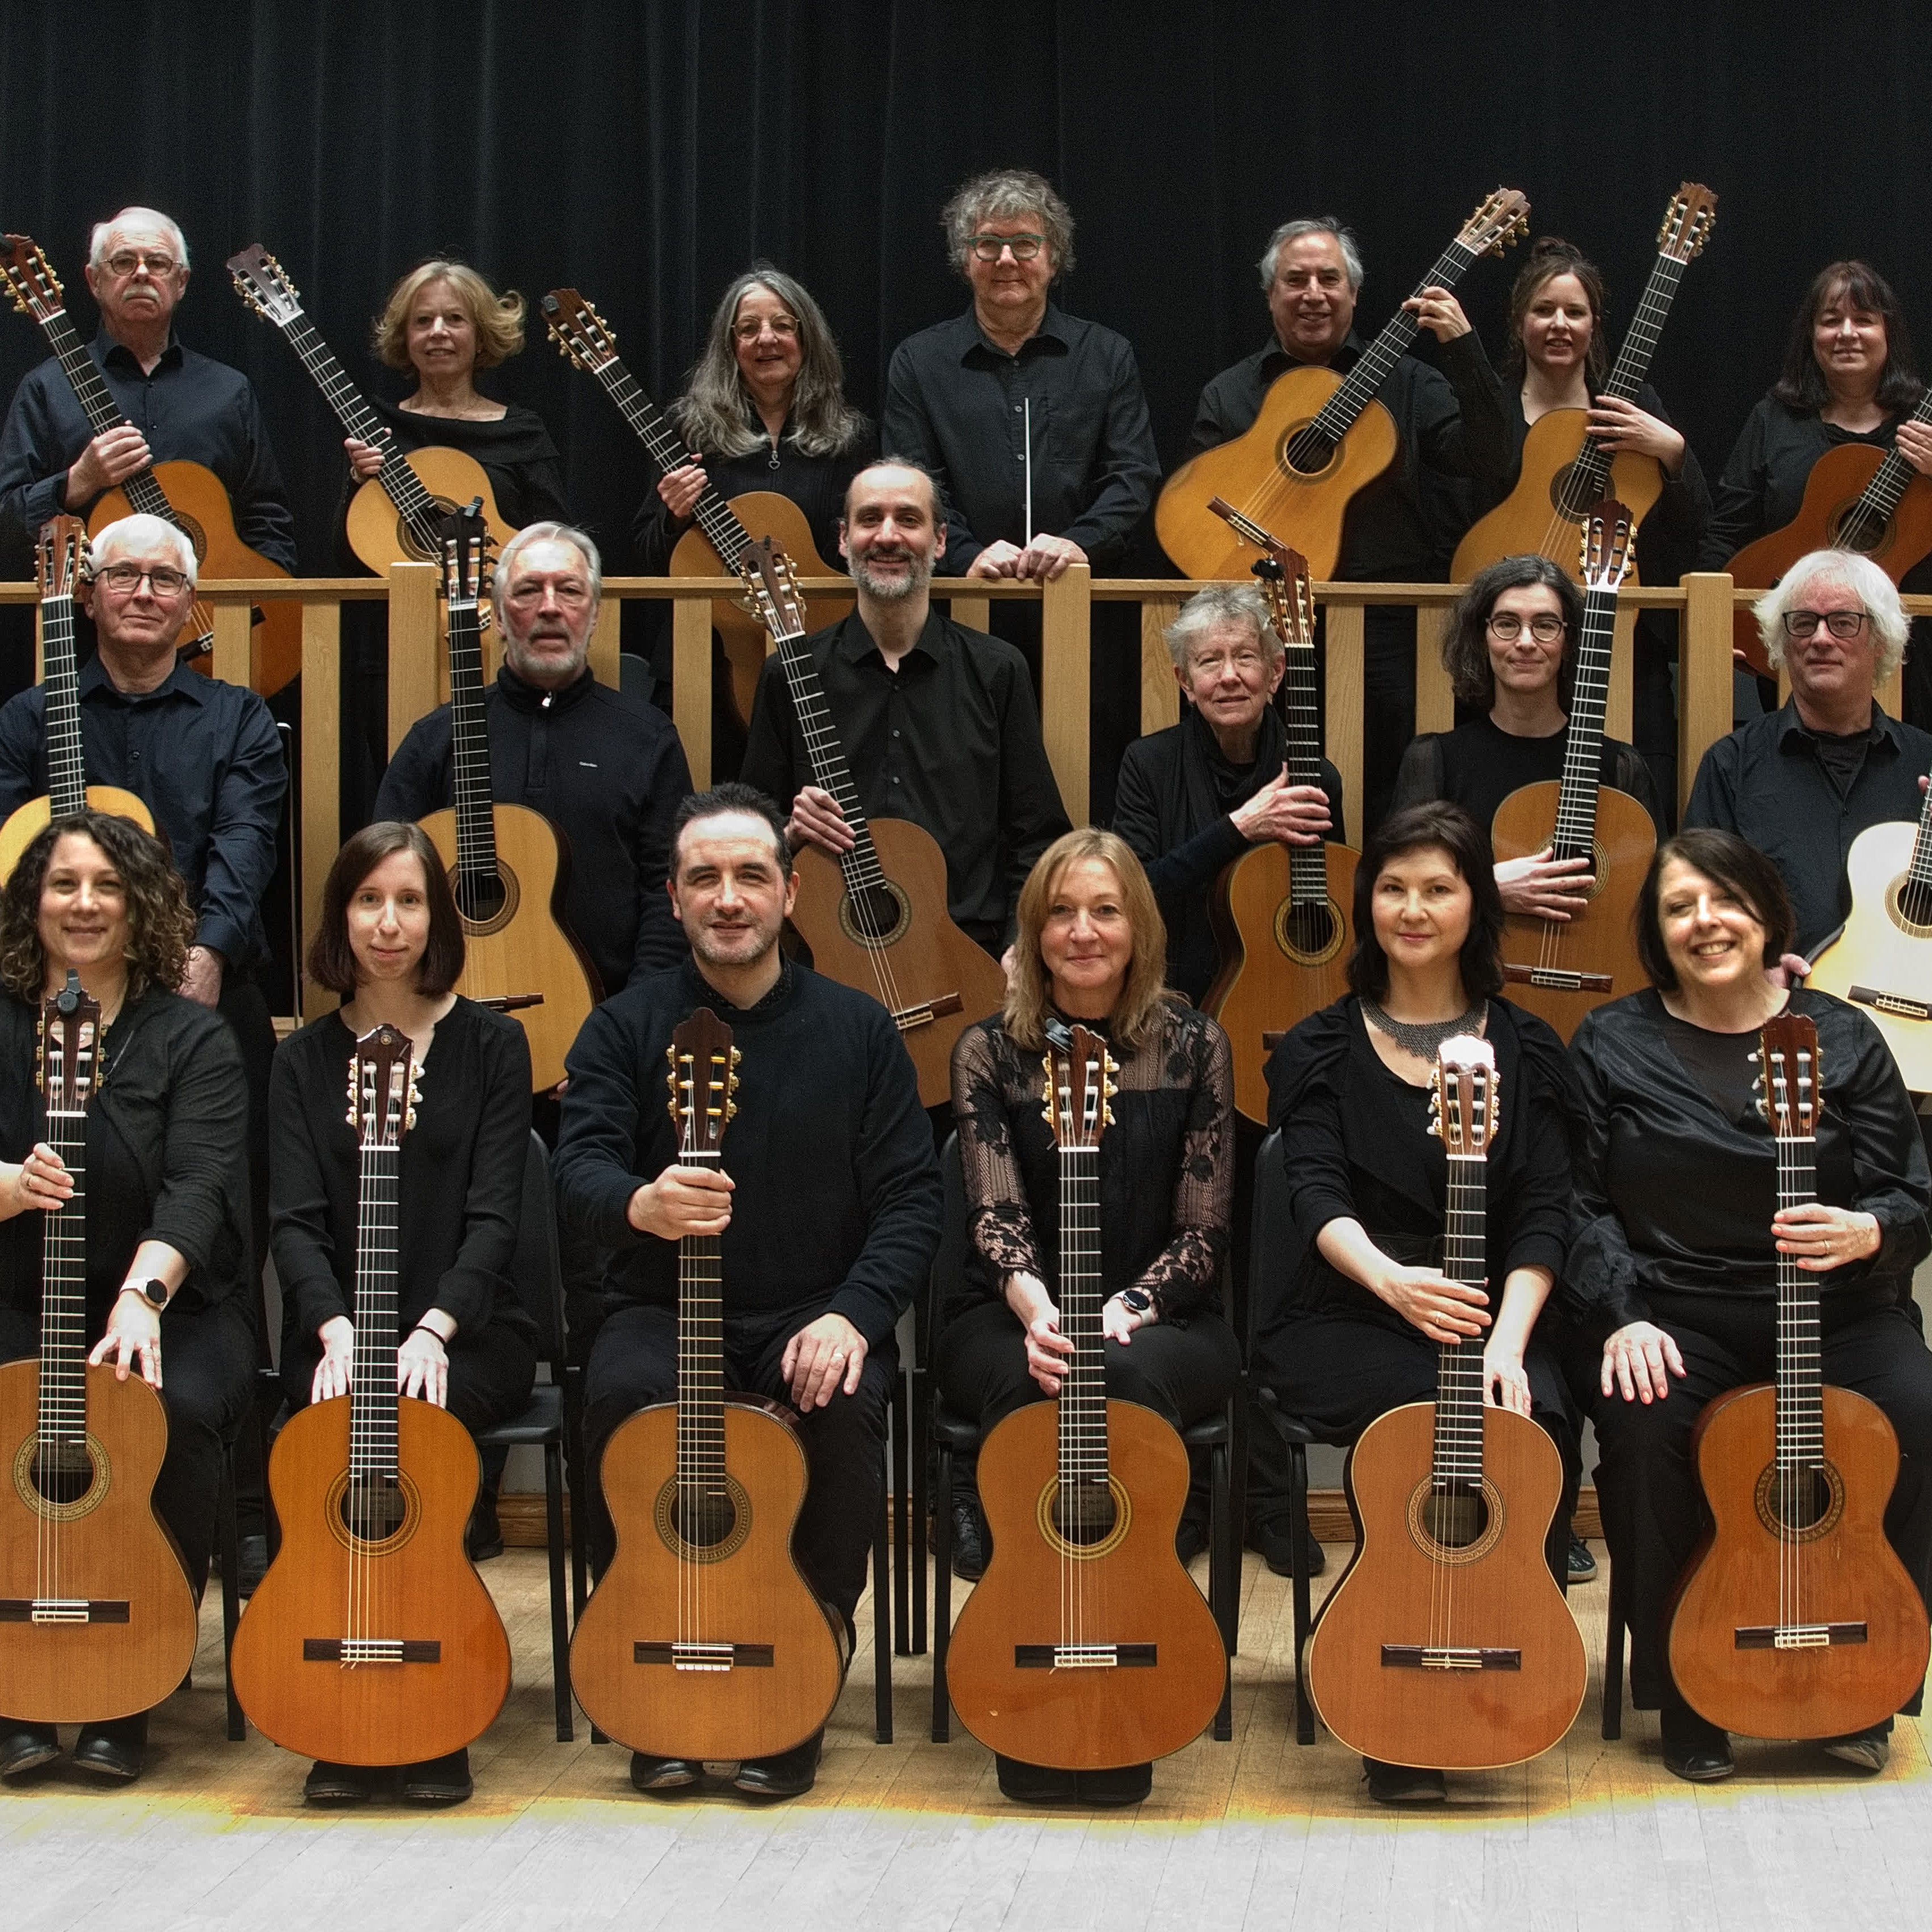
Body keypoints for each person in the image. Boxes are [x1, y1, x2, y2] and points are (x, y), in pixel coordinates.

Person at [555, 783, 940, 1800]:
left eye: (751, 876)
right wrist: (642, 1203)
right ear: (674, 898)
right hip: (661, 1310)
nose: (729, 898)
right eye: (704, 878)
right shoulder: (622, 1027)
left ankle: (802, 1662)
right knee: (622, 1405)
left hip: (810, 1304)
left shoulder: (859, 1031)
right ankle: (651, 1648)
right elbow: (575, 1165)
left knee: (840, 1403)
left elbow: (912, 1197)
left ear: (791, 890)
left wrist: (854, 1314)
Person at [1566, 828, 1932, 1782]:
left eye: (1722, 899)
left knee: (1915, 1412)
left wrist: (1867, 1229)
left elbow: (1913, 1194)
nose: (1704, 922)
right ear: (1655, 931)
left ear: (1767, 911)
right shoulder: (1612, 1041)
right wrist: (1623, 1314)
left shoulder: (1844, 1033)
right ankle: (1689, 1683)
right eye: (1678, 906)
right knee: (1645, 1428)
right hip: (1678, 1310)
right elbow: (1577, 1201)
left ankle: (1868, 1678)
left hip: (1840, 1311)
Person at [1260, 802, 1579, 1805]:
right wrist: (1395, 1281)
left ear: (1476, 901)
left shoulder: (1528, 1048)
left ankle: (1500, 1650)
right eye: (1393, 887)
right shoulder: (1319, 1045)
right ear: (1365, 904)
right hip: (1348, 1308)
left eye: (1438, 886)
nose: (1412, 907)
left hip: (1490, 1321)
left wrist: (1511, 1343)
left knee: (1533, 1421)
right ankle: (1392, 1697)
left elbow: (1545, 1212)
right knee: (1424, 1420)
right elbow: (1312, 1190)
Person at [945, 829, 1242, 1806]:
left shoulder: (1196, 1043)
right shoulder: (990, 1048)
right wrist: (1038, 1309)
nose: (1082, 931)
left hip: (1164, 1308)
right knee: (1036, 1379)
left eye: (1104, 910)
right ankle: (1020, 1641)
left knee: (1113, 1378)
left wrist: (1133, 1302)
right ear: (1031, 932)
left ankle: (1135, 1622)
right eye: (1060, 912)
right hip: (1015, 1303)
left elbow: (1204, 1230)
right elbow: (995, 1215)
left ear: (1139, 928)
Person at [268, 821, 537, 1807]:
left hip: (468, 1330)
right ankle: (333, 1694)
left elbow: (495, 1215)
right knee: (330, 1428)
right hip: (343, 1328)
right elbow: (292, 1221)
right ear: (342, 914)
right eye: (369, 900)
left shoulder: (493, 1044)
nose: (390, 923)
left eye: (411, 901)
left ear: (439, 917)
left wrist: (433, 1327)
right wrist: (335, 1329)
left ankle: (437, 1699)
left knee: (425, 1425)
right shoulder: (301, 1063)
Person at [0, 812, 256, 1784]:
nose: (84, 904)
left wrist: (142, 1294)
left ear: (140, 901)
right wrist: (8, 1185)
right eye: (63, 884)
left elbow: (199, 1182)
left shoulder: (191, 1037)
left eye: (107, 884)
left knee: (171, 1406)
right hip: (19, 1296)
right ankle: (11, 1674)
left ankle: (131, 1679)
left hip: (166, 1306)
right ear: (33, 902)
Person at [0, 513, 285, 1271]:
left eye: (164, 580)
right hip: (49, 992)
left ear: (189, 598)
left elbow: (245, 842)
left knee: (222, 1190)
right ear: (87, 596)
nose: (143, 593)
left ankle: (221, 1351)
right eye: (123, 575)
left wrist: (210, 951)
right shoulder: (27, 721)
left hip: (200, 983)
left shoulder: (239, 718)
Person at [1186, 217, 1508, 830]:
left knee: (1405, 787)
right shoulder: (1229, 396)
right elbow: (1192, 520)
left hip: (1395, 629)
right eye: (1295, 279)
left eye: (1329, 278)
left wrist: (1464, 351)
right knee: (1274, 783)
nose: (1314, 293)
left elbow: (1492, 460)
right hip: (1269, 627)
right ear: (1270, 294)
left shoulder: (1411, 384)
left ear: (1354, 294)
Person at [882, 168, 1159, 819]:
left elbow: (1133, 476)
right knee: (961, 782)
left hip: (1084, 616)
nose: (1006, 259)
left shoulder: (1107, 354)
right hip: (957, 615)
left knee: (1080, 777)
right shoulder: (918, 362)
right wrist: (966, 553)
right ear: (964, 258)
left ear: (1052, 257)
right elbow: (912, 479)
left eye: (1024, 244)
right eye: (987, 244)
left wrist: (1076, 543)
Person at [740, 459, 1070, 958]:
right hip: (826, 960)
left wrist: (1016, 951)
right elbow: (748, 834)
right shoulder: (790, 674)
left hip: (967, 957)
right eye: (869, 519)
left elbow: (1039, 838)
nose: (887, 537)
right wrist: (788, 833)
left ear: (939, 541)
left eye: (908, 520)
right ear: (843, 539)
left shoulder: (997, 671)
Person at [376, 522, 692, 1007]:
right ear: (500, 618)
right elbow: (383, 885)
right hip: (451, 1021)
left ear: (594, 617)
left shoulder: (647, 738)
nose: (550, 607)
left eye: (569, 591)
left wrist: (625, 1027)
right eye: (528, 591)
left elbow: (667, 892)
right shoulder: (433, 741)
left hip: (608, 1021)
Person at [1480, 237, 1711, 805]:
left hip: (1625, 646)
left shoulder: (1632, 405)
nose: (1559, 324)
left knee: (1639, 797)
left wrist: (1672, 450)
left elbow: (1695, 529)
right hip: (1517, 645)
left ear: (1594, 324)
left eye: (1574, 312)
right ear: (1518, 322)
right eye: (1543, 310)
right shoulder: (1494, 409)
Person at [0, 206, 296, 573]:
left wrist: (265, 611)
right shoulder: (46, 388)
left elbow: (267, 520)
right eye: (123, 262)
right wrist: (77, 482)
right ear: (94, 281)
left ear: (182, 282)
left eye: (158, 263)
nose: (141, 273)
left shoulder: (229, 391)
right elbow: (5, 524)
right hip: (88, 623)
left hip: (225, 623)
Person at [1699, 261, 1932, 725]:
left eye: (1864, 320)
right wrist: (1709, 623)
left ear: (1889, 333)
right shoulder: (1774, 420)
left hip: (1915, 655)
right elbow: (1726, 529)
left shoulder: (1925, 426)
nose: (1847, 333)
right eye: (1831, 320)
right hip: (1804, 641)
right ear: (1811, 335)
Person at [1684, 549, 1932, 965]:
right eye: (1803, 623)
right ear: (1783, 644)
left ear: (1881, 641)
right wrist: (1754, 976)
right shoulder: (1732, 766)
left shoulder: (1926, 764)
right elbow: (1696, 903)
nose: (1820, 638)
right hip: (1779, 1011)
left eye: (1843, 622)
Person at [1393, 554, 1667, 923]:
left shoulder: (1619, 767)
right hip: (1474, 972)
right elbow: (1399, 891)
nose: (1525, 642)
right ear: (1483, 637)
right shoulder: (1436, 760)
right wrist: (1487, 889)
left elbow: (1659, 894)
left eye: (1546, 625)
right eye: (1507, 624)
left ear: (1569, 642)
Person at [1112, 580, 1343, 1007]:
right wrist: (1239, 828)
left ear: (1275, 672)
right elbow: (1132, 893)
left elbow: (1337, 901)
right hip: (1175, 991)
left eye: (1245, 657)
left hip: (1288, 991)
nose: (1230, 676)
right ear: (1185, 681)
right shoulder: (1148, 764)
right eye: (1209, 661)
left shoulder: (1315, 777)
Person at [633, 263, 875, 575]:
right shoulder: (690, 429)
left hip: (819, 620)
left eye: (783, 326)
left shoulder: (851, 438)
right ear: (731, 346)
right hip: (711, 623)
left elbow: (868, 554)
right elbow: (645, 558)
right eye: (748, 329)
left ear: (807, 337)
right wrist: (674, 517)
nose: (766, 338)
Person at [341, 259, 570, 533]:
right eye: (423, 321)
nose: (438, 332)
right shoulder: (380, 426)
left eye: (455, 319)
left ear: (481, 337)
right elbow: (349, 556)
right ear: (406, 337)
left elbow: (556, 540)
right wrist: (358, 479)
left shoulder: (521, 432)